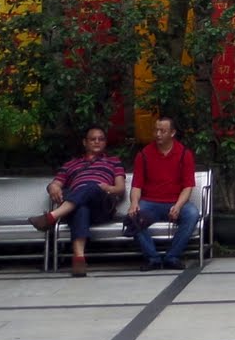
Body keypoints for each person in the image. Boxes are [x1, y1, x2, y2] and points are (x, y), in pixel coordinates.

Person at [29, 125, 126, 276]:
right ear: (85, 142)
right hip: (78, 206)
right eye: (92, 139)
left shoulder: (114, 162)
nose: (97, 142)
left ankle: (51, 217)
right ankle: (79, 260)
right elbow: (55, 183)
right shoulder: (71, 164)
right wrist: (52, 187)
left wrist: (107, 187)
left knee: (92, 187)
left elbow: (120, 188)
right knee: (81, 207)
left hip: (102, 206)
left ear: (105, 143)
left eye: (101, 139)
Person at [126, 114, 198, 271]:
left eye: (162, 131)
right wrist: (134, 203)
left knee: (192, 213)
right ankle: (153, 258)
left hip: (174, 201)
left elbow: (187, 186)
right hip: (150, 202)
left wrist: (178, 206)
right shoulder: (144, 154)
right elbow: (136, 185)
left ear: (172, 133)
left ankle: (172, 256)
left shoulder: (184, 154)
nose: (158, 134)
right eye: (156, 130)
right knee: (133, 216)